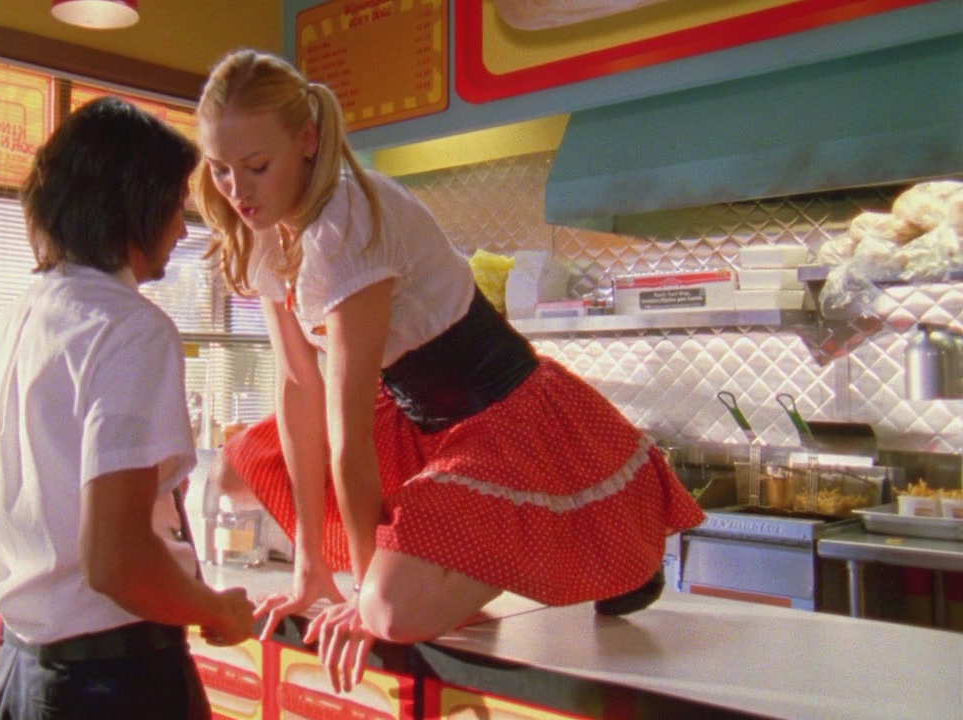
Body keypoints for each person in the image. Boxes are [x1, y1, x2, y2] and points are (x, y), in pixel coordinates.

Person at [193, 49, 706, 693]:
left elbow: (348, 430)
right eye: (220, 170)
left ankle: (592, 532)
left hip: (497, 416)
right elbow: (300, 386)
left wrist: (362, 591)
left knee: (389, 610)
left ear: (307, 140)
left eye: (256, 167)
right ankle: (459, 566)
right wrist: (308, 569)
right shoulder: (264, 228)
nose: (237, 191)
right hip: (414, 415)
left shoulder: (348, 223)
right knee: (234, 472)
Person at [0, 96, 255, 720]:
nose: (182, 231)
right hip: (111, 682)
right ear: (134, 207)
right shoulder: (129, 329)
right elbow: (115, 559)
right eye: (175, 207)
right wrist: (215, 609)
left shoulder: (6, 326)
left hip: (18, 673)